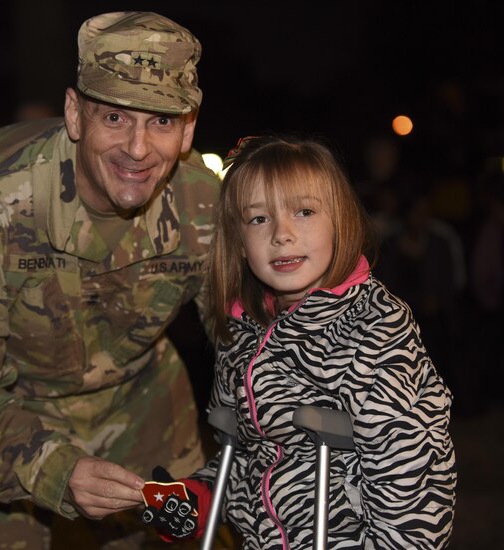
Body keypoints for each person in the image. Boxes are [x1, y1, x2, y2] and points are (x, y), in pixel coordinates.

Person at [0, 11, 221, 548]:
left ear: (189, 127)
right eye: (116, 118)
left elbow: (257, 344)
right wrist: (56, 469)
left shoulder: (205, 203)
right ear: (75, 115)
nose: (139, 149)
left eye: (162, 122)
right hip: (5, 411)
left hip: (138, 402)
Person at [143, 135, 456, 548]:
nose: (281, 234)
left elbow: (412, 470)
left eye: (304, 211)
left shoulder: (375, 328)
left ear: (340, 221)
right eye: (258, 219)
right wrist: (200, 497)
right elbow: (251, 457)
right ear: (238, 242)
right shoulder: (243, 334)